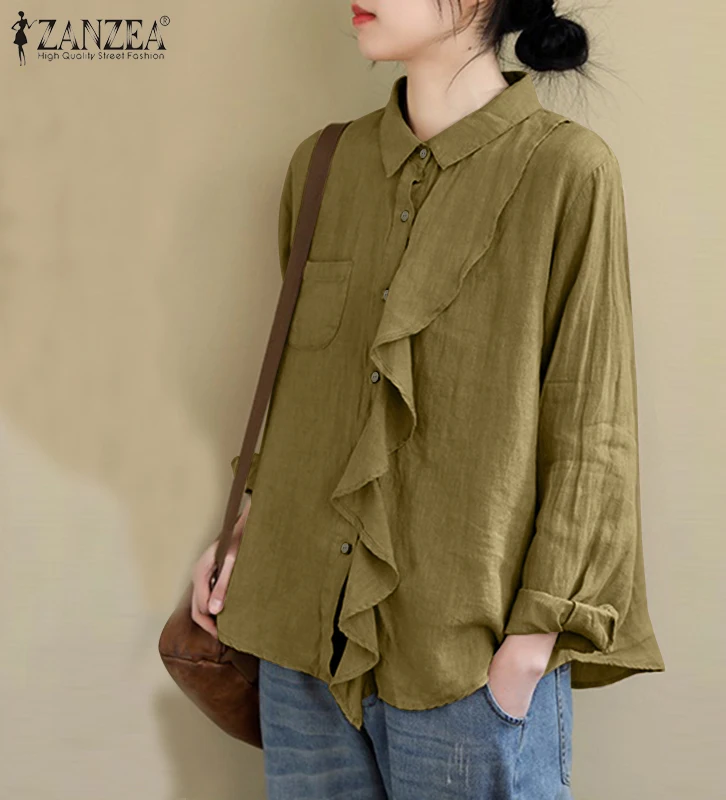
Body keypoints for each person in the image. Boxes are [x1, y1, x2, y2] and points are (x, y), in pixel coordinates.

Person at [190, 1, 665, 797]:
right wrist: (246, 527)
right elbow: (304, 395)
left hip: (469, 659)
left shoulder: (567, 171)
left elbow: (593, 425)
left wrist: (532, 643)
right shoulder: (322, 166)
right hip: (297, 635)